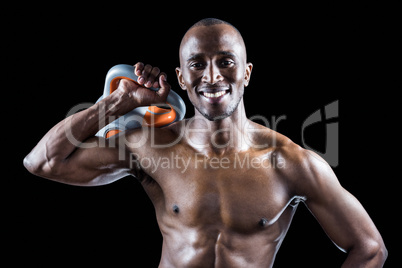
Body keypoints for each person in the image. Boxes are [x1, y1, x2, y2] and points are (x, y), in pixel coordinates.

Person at [24, 18, 387, 267]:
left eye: (225, 62)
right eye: (197, 64)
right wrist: (118, 103)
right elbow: (42, 162)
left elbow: (370, 249)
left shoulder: (291, 163)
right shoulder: (152, 147)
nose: (212, 76)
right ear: (181, 77)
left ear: (246, 73)